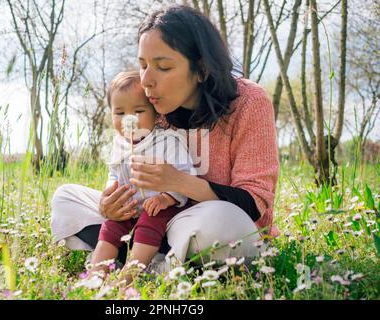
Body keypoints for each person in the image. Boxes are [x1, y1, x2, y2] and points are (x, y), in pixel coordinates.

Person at [50, 5, 279, 273]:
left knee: (225, 224)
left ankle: (141, 257)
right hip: (147, 216)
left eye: (162, 67)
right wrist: (109, 203)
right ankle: (157, 261)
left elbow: (254, 203)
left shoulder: (249, 101)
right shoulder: (148, 106)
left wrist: (178, 182)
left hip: (202, 222)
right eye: (143, 65)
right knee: (65, 198)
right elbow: (125, 168)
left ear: (202, 69)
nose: (146, 80)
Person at [87, 70, 195, 282]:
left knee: (149, 220)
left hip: (160, 207)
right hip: (129, 206)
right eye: (119, 113)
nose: (129, 119)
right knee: (110, 226)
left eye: (138, 111)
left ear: (155, 113)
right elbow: (114, 172)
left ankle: (131, 273)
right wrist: (111, 191)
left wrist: (166, 198)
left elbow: (185, 174)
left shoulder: (167, 141)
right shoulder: (119, 144)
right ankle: (95, 274)